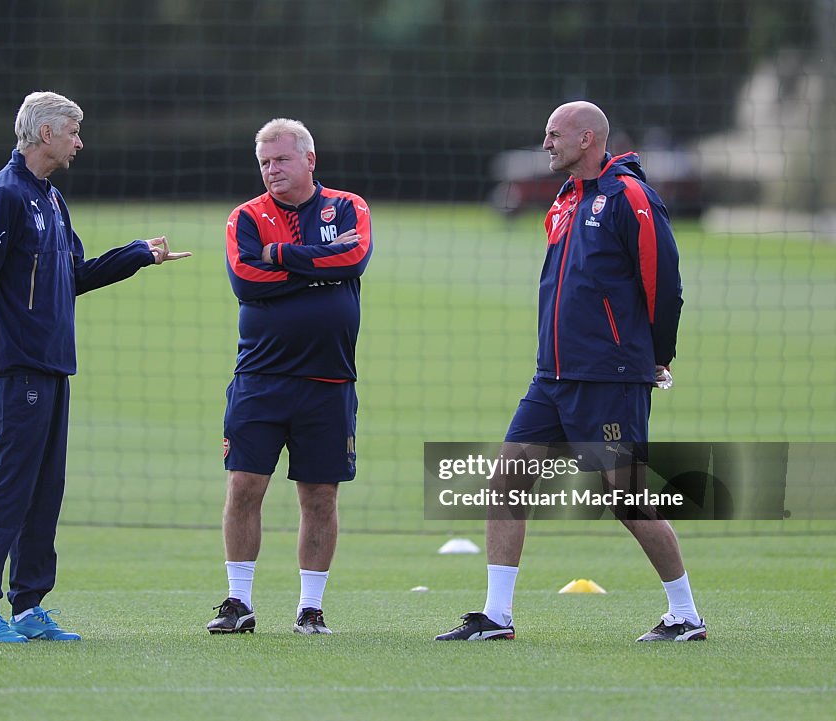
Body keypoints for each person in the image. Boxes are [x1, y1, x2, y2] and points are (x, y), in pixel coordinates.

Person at [435, 101, 705, 643]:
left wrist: (657, 356)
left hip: (609, 377)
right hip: (552, 378)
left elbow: (665, 282)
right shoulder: (562, 200)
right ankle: (497, 616)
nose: (546, 144)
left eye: (554, 135)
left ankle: (686, 615)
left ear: (587, 139)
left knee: (626, 498)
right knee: (506, 482)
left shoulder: (630, 197)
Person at [0, 91, 190, 643]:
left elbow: (75, 276)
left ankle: (30, 606)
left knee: (45, 489)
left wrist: (137, 254)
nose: (80, 142)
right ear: (46, 135)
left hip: (53, 366)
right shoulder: (7, 195)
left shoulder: (52, 201)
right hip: (18, 367)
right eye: (73, 131)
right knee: (10, 488)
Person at [208, 118, 372, 635]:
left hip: (329, 381)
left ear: (309, 160)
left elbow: (355, 256)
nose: (271, 171)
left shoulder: (349, 207)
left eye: (280, 160)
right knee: (244, 486)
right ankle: (238, 603)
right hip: (261, 377)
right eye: (264, 163)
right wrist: (320, 266)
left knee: (320, 496)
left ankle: (310, 608)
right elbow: (246, 280)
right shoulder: (246, 217)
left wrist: (280, 256)